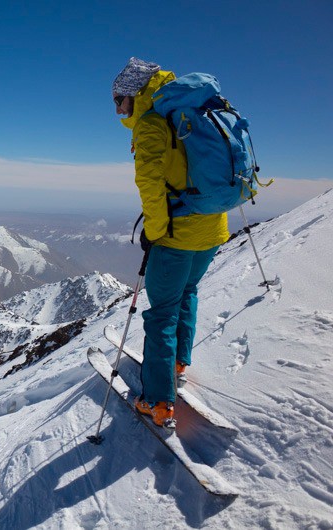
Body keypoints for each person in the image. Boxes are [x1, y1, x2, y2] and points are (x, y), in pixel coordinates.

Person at [111, 57, 229, 428]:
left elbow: (149, 184)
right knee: (187, 292)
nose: (116, 107)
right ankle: (178, 361)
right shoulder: (193, 113)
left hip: (177, 233)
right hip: (212, 229)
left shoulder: (151, 124)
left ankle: (158, 402)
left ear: (135, 94)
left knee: (161, 312)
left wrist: (156, 231)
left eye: (119, 99)